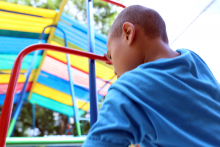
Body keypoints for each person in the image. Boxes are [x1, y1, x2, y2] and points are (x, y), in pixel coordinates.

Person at [82, 5, 220, 147]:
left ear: (128, 33)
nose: (114, 70)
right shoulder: (195, 62)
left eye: (111, 55)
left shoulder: (127, 89)